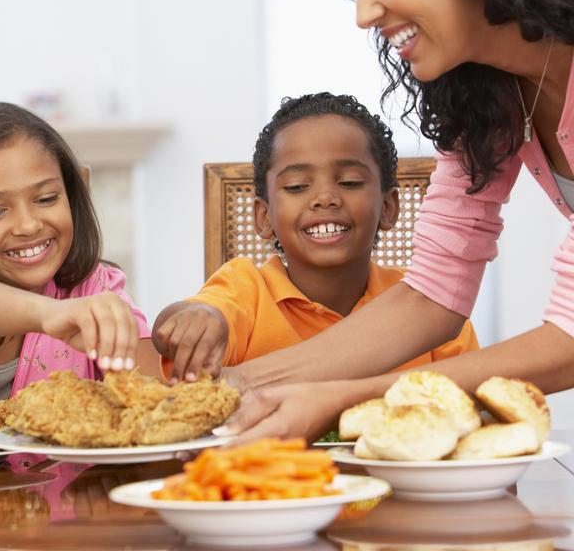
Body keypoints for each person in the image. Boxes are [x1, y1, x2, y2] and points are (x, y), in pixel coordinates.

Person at [212, 0, 574, 443]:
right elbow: (432, 295)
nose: (363, 12)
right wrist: (233, 388)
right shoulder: (493, 98)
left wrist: (343, 396)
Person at [152, 92, 478, 383]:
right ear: (264, 217)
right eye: (296, 186)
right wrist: (195, 319)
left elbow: (470, 401)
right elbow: (188, 319)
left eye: (349, 182)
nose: (325, 198)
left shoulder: (429, 305)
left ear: (389, 207)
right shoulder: (244, 289)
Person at [0, 102, 160, 411]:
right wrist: (47, 314)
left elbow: (156, 401)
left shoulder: (91, 288)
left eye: (46, 198)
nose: (28, 225)